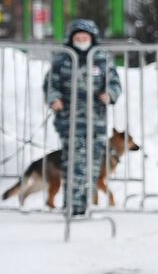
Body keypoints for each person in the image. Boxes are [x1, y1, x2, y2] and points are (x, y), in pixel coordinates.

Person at [44, 19, 121, 217]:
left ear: (92, 38)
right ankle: (73, 205)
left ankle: (86, 203)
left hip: (96, 122)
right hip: (70, 121)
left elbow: (114, 83)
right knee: (72, 162)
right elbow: (51, 84)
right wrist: (54, 99)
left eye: (84, 37)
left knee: (93, 163)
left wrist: (110, 94)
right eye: (77, 37)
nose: (81, 40)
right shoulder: (63, 59)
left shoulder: (102, 58)